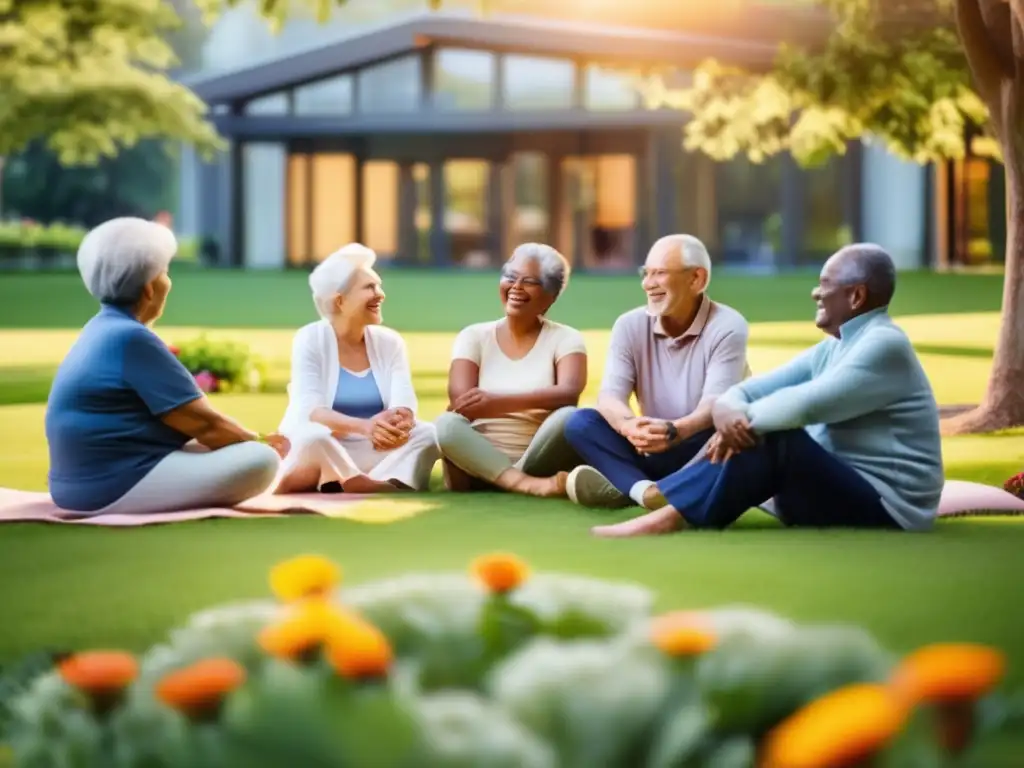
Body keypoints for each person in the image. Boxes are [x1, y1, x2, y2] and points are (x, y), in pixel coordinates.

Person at [591, 243, 944, 538]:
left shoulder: (884, 344)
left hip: (887, 509)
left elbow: (806, 404)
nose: (815, 292)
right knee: (762, 430)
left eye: (825, 284)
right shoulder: (834, 346)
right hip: (830, 492)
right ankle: (667, 499)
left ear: (856, 296)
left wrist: (739, 421)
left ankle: (666, 515)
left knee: (777, 436)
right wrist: (730, 409)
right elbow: (757, 388)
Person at [44, 217, 287, 517]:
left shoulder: (102, 328)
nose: (168, 283)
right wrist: (261, 441)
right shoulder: (131, 338)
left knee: (226, 448)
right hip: (109, 485)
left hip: (77, 485)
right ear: (148, 289)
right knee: (260, 459)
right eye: (164, 272)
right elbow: (206, 425)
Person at [562, 234, 750, 509]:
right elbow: (610, 396)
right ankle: (648, 492)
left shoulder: (728, 325)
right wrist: (629, 426)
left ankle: (625, 485)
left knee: (734, 430)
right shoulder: (629, 325)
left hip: (700, 443)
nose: (648, 284)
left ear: (697, 279)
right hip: (650, 445)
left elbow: (716, 403)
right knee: (580, 423)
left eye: (660, 273)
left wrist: (675, 431)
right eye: (646, 273)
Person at [275, 244, 439, 494]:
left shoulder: (389, 341)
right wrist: (365, 426)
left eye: (379, 285)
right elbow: (312, 410)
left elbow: (403, 398)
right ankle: (359, 481)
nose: (380, 294)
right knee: (313, 439)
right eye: (369, 287)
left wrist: (398, 421)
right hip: (330, 445)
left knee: (427, 433)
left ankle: (372, 482)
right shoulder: (310, 338)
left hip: (375, 446)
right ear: (340, 300)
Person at [434, 243, 587, 497]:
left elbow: (568, 394)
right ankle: (522, 484)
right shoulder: (473, 336)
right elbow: (462, 402)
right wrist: (504, 403)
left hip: (536, 460)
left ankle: (510, 478)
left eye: (529, 281)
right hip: (477, 457)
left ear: (550, 296)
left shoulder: (566, 338)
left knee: (570, 416)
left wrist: (498, 401)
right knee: (446, 424)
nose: (516, 287)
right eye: (510, 277)